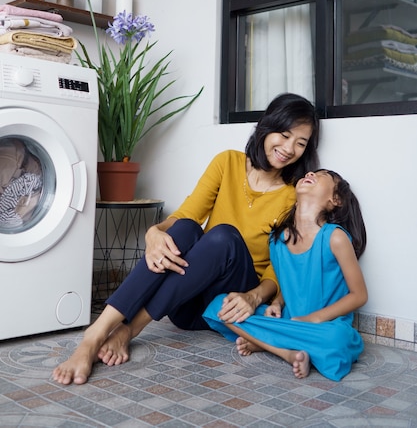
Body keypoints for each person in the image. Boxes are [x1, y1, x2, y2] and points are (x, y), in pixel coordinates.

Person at [52, 92, 320, 385]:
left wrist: (253, 296)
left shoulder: (293, 194)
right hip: (184, 304)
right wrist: (153, 233)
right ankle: (94, 335)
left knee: (223, 237)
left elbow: (281, 265)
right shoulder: (227, 163)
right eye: (284, 135)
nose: (288, 148)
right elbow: (187, 214)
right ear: (267, 128)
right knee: (187, 228)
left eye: (300, 143)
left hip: (229, 302)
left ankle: (129, 330)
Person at [203, 169, 367, 382]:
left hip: (326, 325)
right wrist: (277, 303)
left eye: (323, 175)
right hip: (289, 320)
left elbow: (359, 295)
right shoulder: (277, 238)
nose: (310, 173)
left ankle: (265, 343)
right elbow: (286, 281)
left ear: (334, 199)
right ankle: (287, 352)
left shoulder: (334, 237)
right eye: (311, 172)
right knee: (220, 305)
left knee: (337, 340)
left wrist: (314, 319)